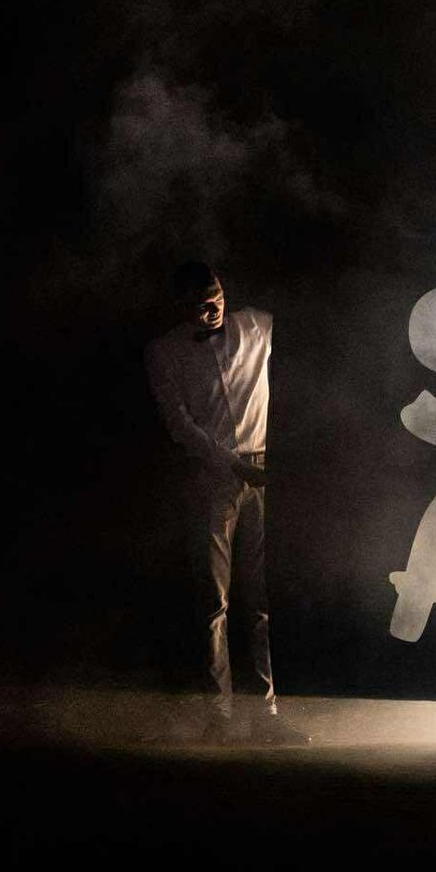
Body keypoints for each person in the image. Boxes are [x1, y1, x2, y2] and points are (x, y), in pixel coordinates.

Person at [145, 261, 307, 744]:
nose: (212, 307)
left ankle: (265, 714)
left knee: (258, 599)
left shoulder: (256, 325)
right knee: (214, 603)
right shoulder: (164, 352)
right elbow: (180, 426)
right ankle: (218, 716)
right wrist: (233, 465)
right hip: (211, 479)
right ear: (181, 306)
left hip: (260, 472)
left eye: (216, 295)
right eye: (201, 303)